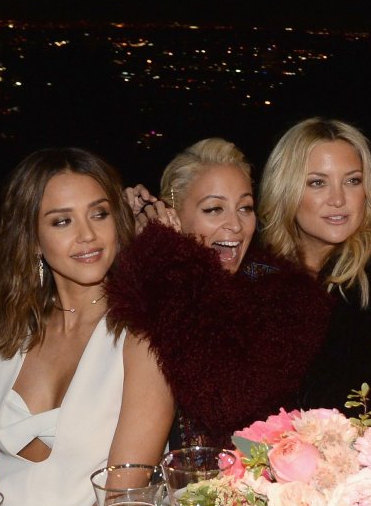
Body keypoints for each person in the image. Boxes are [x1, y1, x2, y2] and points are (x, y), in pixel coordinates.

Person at [0, 149, 169, 506]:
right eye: (62, 221)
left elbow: (119, 501)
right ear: (33, 238)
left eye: (99, 214)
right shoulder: (4, 342)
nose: (88, 235)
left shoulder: (142, 338)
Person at [107, 138, 330, 448]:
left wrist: (171, 258)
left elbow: (224, 399)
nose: (236, 225)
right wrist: (118, 227)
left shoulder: (286, 294)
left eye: (245, 208)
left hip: (241, 474)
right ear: (173, 215)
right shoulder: (144, 283)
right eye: (214, 209)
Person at [256, 117, 371, 414]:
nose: (338, 199)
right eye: (317, 182)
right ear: (285, 189)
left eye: (352, 181)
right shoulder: (261, 271)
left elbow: (368, 411)